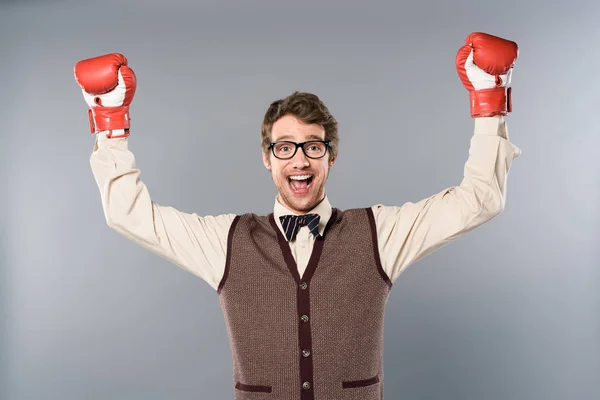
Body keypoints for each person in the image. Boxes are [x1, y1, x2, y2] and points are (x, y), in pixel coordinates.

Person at [74, 32, 521, 400]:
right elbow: (127, 214)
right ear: (267, 158)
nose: (300, 161)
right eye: (285, 147)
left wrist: (490, 101)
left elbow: (479, 200)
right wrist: (108, 121)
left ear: (332, 157)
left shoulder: (379, 233)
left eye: (313, 146)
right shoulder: (226, 241)